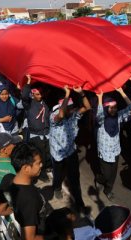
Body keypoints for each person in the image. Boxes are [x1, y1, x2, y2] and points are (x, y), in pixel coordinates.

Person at [49, 85, 91, 213]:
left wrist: (81, 93)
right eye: (70, 108)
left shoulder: (73, 115)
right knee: (58, 174)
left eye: (72, 108)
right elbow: (61, 114)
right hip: (58, 153)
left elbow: (88, 107)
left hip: (71, 152)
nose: (73, 110)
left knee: (74, 178)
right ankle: (56, 187)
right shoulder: (54, 116)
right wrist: (67, 94)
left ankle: (79, 202)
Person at [0, 143, 49, 240]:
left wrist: (17, 209)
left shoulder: (8, 179)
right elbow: (29, 238)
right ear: (26, 168)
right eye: (38, 163)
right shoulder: (30, 199)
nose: (41, 165)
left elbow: (0, 210)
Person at [94, 88, 131, 200]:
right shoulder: (102, 120)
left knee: (113, 175)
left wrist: (122, 92)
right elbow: (99, 113)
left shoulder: (118, 116)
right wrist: (100, 98)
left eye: (115, 107)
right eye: (111, 107)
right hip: (104, 152)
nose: (114, 110)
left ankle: (108, 190)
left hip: (116, 151)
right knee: (106, 175)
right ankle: (99, 178)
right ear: (106, 108)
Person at [22, 74, 51, 182]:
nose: (40, 96)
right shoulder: (29, 104)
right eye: (38, 94)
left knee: (47, 152)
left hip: (46, 133)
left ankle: (48, 167)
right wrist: (28, 82)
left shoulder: (45, 103)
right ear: (33, 94)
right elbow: (24, 96)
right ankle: (42, 174)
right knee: (40, 155)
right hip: (36, 134)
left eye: (41, 94)